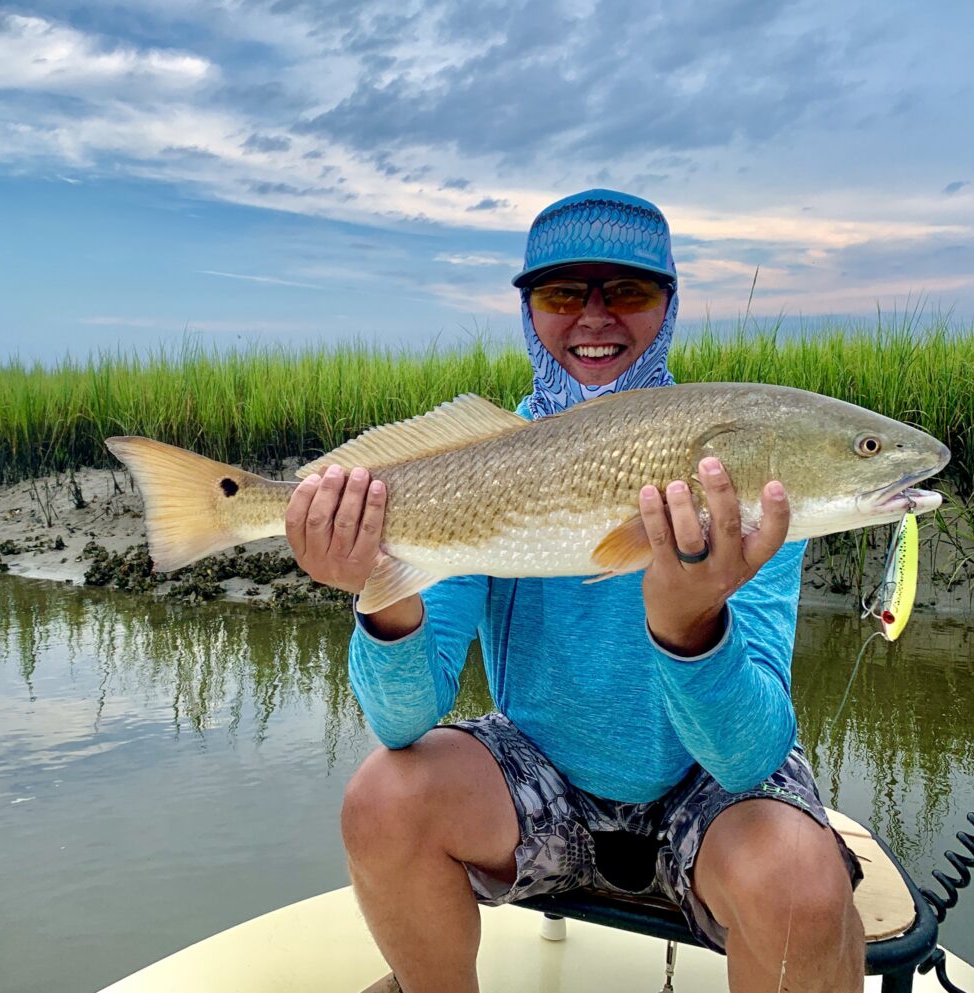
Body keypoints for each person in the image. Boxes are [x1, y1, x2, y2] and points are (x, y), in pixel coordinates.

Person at [284, 190, 865, 993]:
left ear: (668, 304)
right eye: (562, 294)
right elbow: (400, 718)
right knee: (382, 797)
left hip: (708, 788)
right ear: (529, 309)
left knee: (802, 884)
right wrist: (379, 591)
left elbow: (748, 755)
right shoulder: (486, 459)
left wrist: (689, 627)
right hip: (542, 773)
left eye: (627, 291)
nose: (595, 317)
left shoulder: (738, 479)